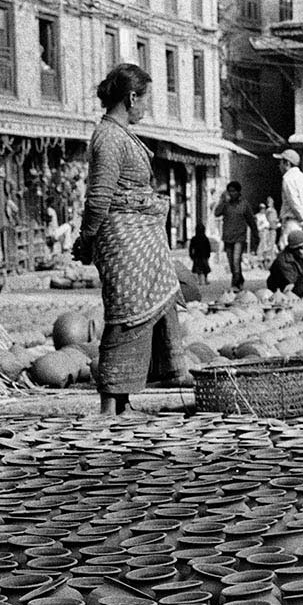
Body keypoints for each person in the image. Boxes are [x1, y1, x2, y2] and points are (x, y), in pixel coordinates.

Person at [72, 63, 185, 416]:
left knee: (155, 306)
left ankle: (133, 395)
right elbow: (99, 198)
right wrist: (86, 239)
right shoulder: (108, 138)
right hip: (123, 240)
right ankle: (110, 403)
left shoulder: (121, 135)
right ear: (132, 97)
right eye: (145, 99)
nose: (146, 107)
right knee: (127, 314)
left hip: (141, 237)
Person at [212, 181, 260, 291]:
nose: (231, 193)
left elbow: (251, 220)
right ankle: (240, 279)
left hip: (240, 237)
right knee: (231, 262)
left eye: (234, 191)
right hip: (228, 237)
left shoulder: (244, 204)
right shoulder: (226, 204)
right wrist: (223, 201)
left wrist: (255, 234)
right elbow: (217, 213)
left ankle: (235, 284)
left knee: (236, 260)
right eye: (230, 191)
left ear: (238, 192)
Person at [267, 228, 303, 292]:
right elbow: (293, 281)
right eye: (302, 249)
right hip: (280, 291)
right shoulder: (283, 261)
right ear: (295, 249)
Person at [188, 222, 211, 291]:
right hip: (203, 255)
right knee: (205, 268)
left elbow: (191, 248)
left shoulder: (194, 239)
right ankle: (205, 279)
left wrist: (191, 255)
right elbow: (208, 248)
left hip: (197, 256)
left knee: (198, 268)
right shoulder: (205, 238)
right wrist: (208, 254)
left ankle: (199, 280)